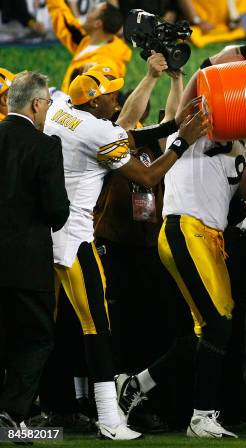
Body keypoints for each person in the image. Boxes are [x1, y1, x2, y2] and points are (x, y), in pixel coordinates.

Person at [113, 39, 246, 439]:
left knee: (211, 329)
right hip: (185, 229)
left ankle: (137, 385)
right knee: (218, 325)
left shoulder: (239, 146)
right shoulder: (196, 122)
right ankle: (201, 416)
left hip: (211, 238)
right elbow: (203, 68)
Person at [44, 66, 205, 440]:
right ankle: (109, 419)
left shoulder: (59, 108)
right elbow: (147, 177)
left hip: (46, 235)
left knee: (40, 330)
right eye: (112, 93)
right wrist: (180, 143)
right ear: (96, 100)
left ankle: (18, 416)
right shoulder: (97, 129)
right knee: (96, 327)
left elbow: (126, 134)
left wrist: (168, 130)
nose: (117, 100)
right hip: (76, 238)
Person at [0, 71, 70, 431]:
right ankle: (13, 413)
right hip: (28, 262)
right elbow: (58, 209)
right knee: (37, 337)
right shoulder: (45, 146)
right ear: (37, 104)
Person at [47, 0, 131, 92]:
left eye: (92, 11)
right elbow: (62, 17)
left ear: (97, 24)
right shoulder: (85, 42)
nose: (87, 15)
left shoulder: (106, 64)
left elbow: (99, 100)